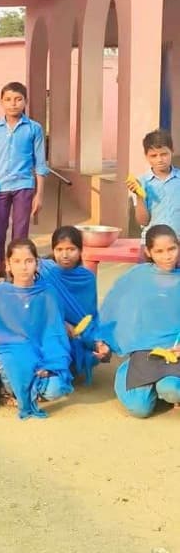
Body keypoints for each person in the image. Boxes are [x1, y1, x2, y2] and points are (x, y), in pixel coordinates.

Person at [0, 239, 72, 419]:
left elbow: (55, 335)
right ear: (8, 265)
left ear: (37, 263)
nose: (23, 267)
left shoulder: (48, 293)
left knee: (57, 389)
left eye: (28, 261)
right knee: (19, 364)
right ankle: (15, 390)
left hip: (42, 357)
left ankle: (29, 389)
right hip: (11, 357)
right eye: (17, 261)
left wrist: (48, 366)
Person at [99, 224, 180, 418]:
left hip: (175, 350)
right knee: (139, 409)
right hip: (144, 350)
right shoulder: (137, 276)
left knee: (172, 390)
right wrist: (104, 340)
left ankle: (165, 390)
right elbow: (114, 306)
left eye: (172, 249)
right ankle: (127, 370)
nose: (167, 256)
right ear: (148, 252)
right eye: (159, 251)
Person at [0, 82, 48, 277]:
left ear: (25, 102)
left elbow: (40, 164)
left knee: (20, 233)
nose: (13, 104)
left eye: (18, 99)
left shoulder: (34, 129)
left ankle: (17, 270)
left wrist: (39, 195)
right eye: (8, 100)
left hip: (23, 186)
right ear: (1, 102)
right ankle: (0, 267)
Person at [38, 226, 109, 384]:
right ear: (53, 250)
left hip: (78, 335)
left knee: (98, 350)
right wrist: (61, 323)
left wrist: (98, 342)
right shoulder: (44, 274)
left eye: (71, 249)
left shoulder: (87, 278)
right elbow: (37, 311)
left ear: (80, 250)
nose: (65, 255)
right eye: (59, 249)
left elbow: (90, 316)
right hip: (52, 332)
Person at [126, 129, 180, 238]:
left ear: (172, 151)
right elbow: (143, 221)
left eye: (164, 154)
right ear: (146, 156)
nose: (159, 160)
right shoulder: (141, 182)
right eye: (153, 156)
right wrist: (139, 196)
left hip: (177, 241)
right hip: (152, 243)